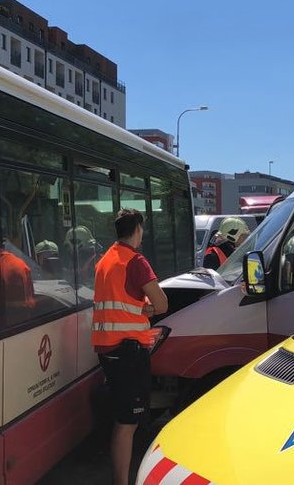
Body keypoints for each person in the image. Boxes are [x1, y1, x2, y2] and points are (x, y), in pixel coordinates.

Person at [92, 208, 168, 485]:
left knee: (121, 417)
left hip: (106, 349)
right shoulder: (135, 261)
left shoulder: (104, 261)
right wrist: (144, 311)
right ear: (137, 229)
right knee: (127, 423)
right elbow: (161, 304)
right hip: (128, 351)